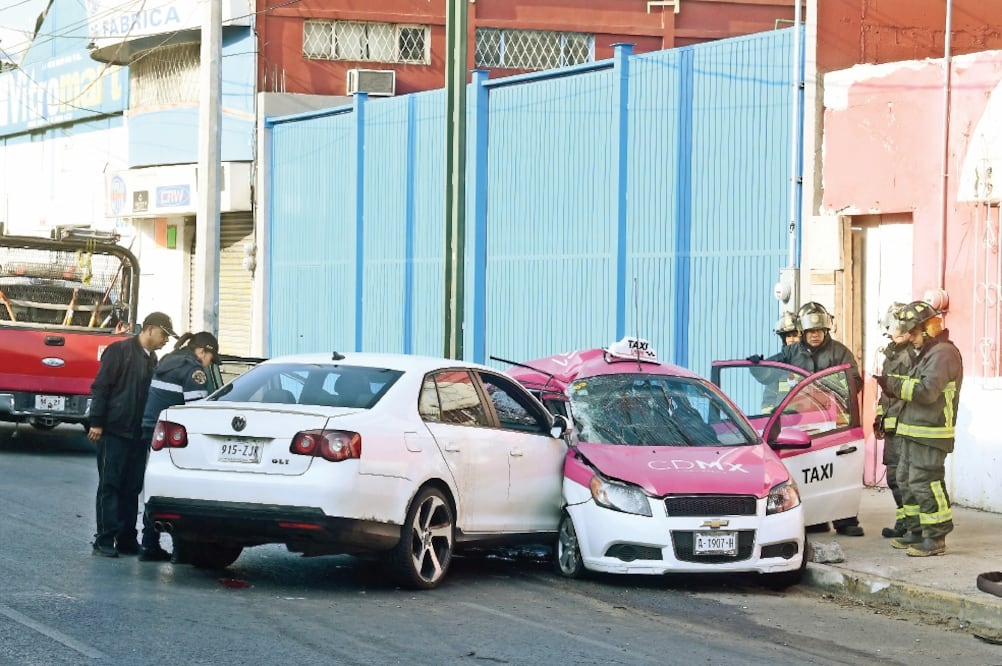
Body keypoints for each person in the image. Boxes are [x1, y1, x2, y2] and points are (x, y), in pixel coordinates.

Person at [752, 301, 865, 536]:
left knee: (838, 470)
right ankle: (815, 518)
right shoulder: (791, 353)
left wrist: (830, 387)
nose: (815, 335)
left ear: (826, 330)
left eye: (819, 331)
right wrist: (757, 366)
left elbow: (855, 380)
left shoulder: (839, 351)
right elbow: (768, 375)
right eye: (811, 331)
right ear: (803, 332)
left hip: (834, 421)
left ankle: (846, 520)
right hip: (801, 421)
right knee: (811, 471)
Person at [875, 301, 963, 557]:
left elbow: (926, 391)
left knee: (925, 482)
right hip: (913, 429)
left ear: (928, 329)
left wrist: (892, 385)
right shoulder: (926, 353)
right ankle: (915, 531)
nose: (910, 337)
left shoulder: (943, 353)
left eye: (913, 332)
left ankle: (936, 538)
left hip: (931, 432)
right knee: (906, 480)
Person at [89, 312, 175, 557]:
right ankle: (104, 539)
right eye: (164, 334)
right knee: (110, 485)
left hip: (138, 434)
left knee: (131, 488)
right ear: (149, 329)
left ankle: (127, 539)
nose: (165, 340)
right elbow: (101, 387)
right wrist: (97, 422)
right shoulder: (119, 351)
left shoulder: (152, 359)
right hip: (114, 431)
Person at [138, 330, 219, 561]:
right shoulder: (193, 371)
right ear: (202, 351)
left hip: (152, 430)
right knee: (182, 489)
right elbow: (197, 412)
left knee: (155, 487)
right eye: (210, 359)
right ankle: (181, 550)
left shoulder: (168, 360)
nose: (209, 364)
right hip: (172, 436)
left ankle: (148, 543)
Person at [874, 303, 914, 538]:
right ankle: (903, 522)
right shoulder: (892, 353)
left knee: (903, 478)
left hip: (906, 426)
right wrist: (880, 415)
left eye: (900, 327)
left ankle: (912, 526)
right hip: (892, 426)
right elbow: (886, 391)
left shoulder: (912, 355)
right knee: (894, 478)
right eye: (893, 328)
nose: (895, 332)